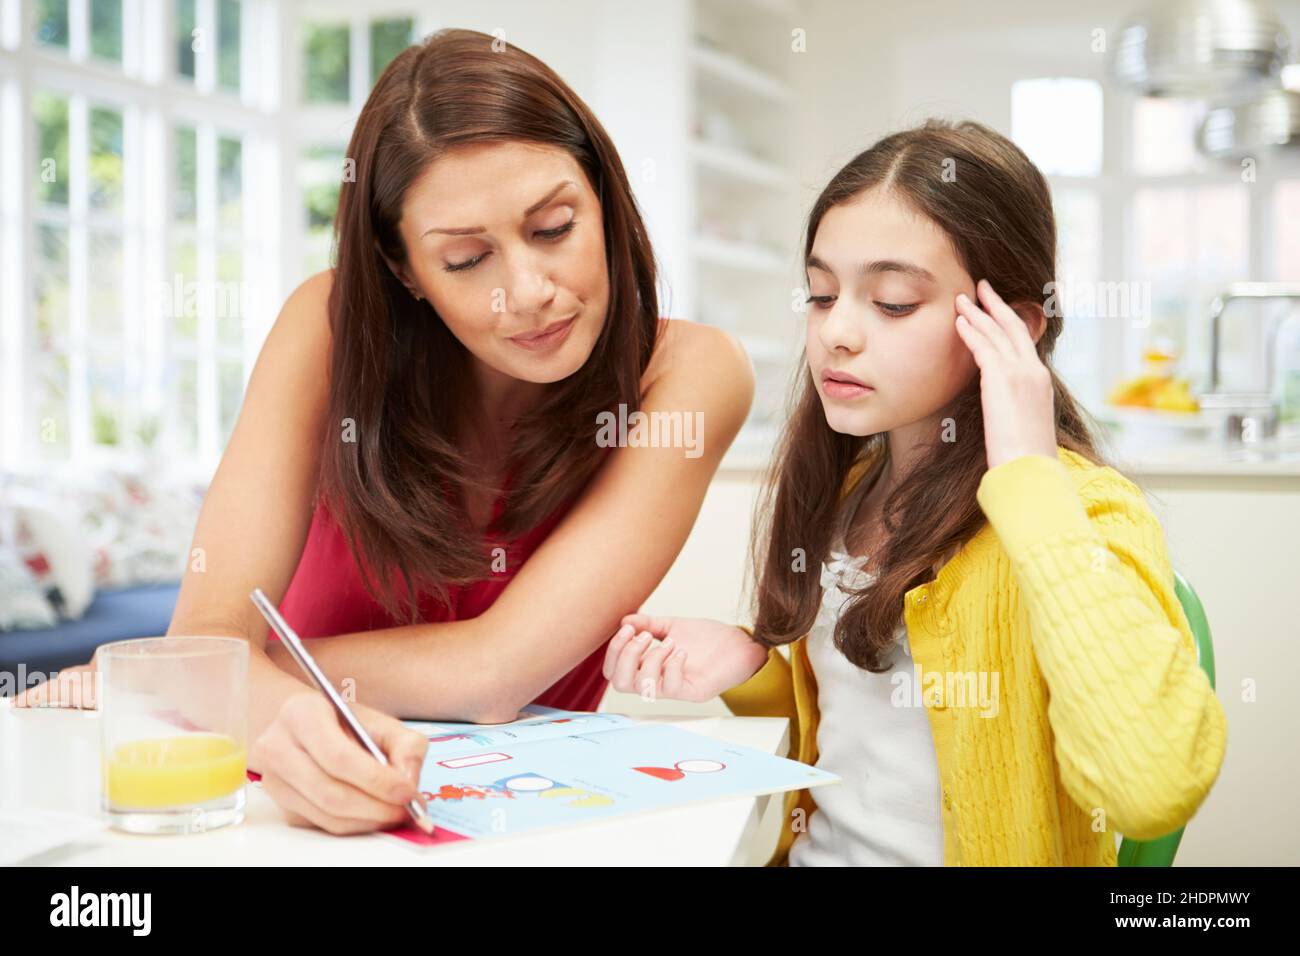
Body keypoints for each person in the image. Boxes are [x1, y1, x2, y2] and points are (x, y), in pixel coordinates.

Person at [16, 28, 755, 837]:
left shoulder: (690, 374)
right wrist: (210, 673)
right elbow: (210, 633)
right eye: (468, 260)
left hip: (523, 824)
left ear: (605, 201)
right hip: (285, 798)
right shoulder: (329, 329)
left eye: (552, 228)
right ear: (404, 269)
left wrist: (204, 673)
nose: (530, 292)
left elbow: (495, 674)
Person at [604, 119, 1227, 866]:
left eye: (893, 302)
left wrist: (1027, 476)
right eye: (821, 294)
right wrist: (751, 666)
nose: (837, 331)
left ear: (1014, 327)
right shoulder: (849, 493)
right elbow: (856, 759)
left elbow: (1149, 785)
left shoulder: (1082, 511)